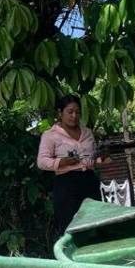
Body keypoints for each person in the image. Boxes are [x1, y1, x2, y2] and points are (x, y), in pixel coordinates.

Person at [36, 94, 107, 233]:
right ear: (60, 113)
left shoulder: (87, 133)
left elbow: (91, 159)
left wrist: (102, 158)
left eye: (77, 112)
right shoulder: (50, 135)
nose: (74, 116)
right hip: (66, 184)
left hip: (89, 181)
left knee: (96, 224)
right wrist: (61, 162)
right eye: (70, 112)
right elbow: (41, 161)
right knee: (70, 227)